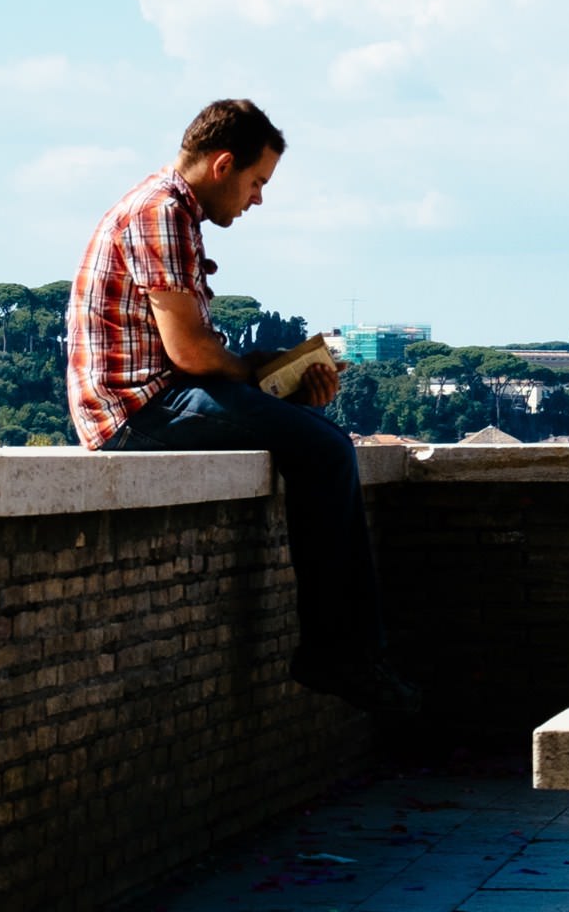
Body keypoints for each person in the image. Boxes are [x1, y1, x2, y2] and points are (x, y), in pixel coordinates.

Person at [66, 99, 420, 716]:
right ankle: (341, 657)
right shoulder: (162, 212)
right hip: (137, 413)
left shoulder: (167, 208)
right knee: (328, 451)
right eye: (257, 182)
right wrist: (262, 374)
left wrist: (276, 381)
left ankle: (344, 653)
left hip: (155, 398)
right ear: (224, 163)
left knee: (314, 436)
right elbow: (194, 352)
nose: (257, 199)